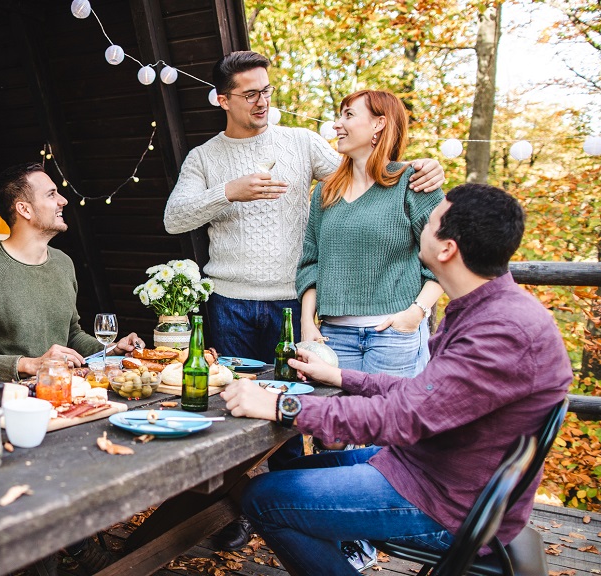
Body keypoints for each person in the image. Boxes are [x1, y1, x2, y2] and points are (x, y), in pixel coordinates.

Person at [163, 51, 445, 549]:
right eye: (250, 94)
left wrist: (423, 167)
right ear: (223, 100)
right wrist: (228, 192)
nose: (262, 101)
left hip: (296, 308)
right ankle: (229, 512)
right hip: (229, 304)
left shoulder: (300, 142)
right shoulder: (204, 158)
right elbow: (174, 218)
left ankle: (299, 512)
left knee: (294, 416)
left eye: (267, 90)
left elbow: (366, 177)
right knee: (229, 411)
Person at [221, 183, 572, 576]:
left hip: (448, 506)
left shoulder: (502, 331)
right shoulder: (487, 309)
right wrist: (338, 375)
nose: (420, 227)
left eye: (429, 222)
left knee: (264, 498)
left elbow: (403, 418)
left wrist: (282, 405)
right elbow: (426, 395)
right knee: (290, 474)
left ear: (446, 249)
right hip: (429, 468)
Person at [296, 90, 444, 376]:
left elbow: (444, 257)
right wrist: (307, 323)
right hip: (332, 339)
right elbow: (310, 264)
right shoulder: (325, 192)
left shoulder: (413, 183)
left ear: (379, 124)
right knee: (333, 407)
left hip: (393, 336)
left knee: (391, 407)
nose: (337, 124)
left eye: (349, 115)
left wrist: (416, 313)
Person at [0, 162, 142, 382]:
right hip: (9, 397)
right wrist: (31, 364)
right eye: (51, 194)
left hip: (63, 392)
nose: (63, 201)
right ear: (24, 209)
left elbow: (71, 335)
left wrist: (110, 350)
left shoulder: (63, 263)